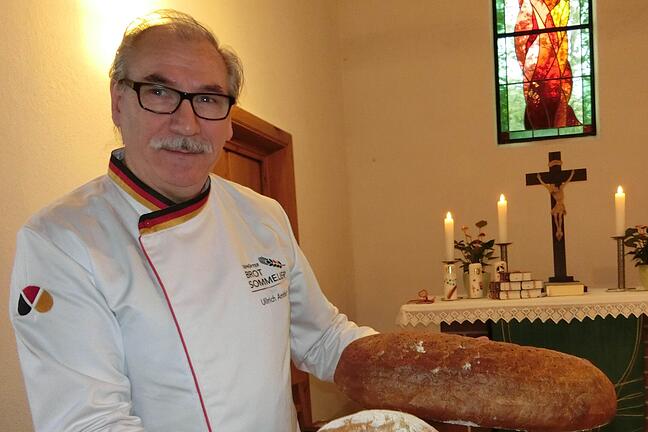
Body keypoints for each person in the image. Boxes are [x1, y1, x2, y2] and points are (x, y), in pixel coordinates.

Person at [9, 9, 375, 432]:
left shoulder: (264, 215)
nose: (187, 123)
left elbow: (324, 338)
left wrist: (422, 366)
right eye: (160, 92)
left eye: (207, 99)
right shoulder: (61, 240)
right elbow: (91, 424)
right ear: (118, 102)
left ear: (229, 123)